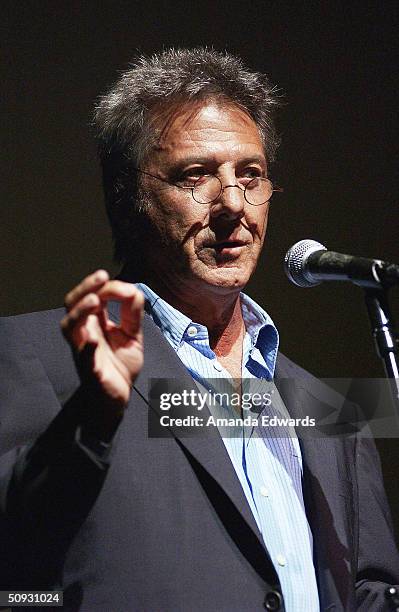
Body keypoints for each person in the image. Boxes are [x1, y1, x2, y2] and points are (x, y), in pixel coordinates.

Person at [0, 48, 398, 612]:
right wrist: (92, 419)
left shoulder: (333, 410)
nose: (234, 204)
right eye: (196, 176)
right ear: (129, 196)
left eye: (252, 175)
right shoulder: (27, 356)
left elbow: (369, 590)